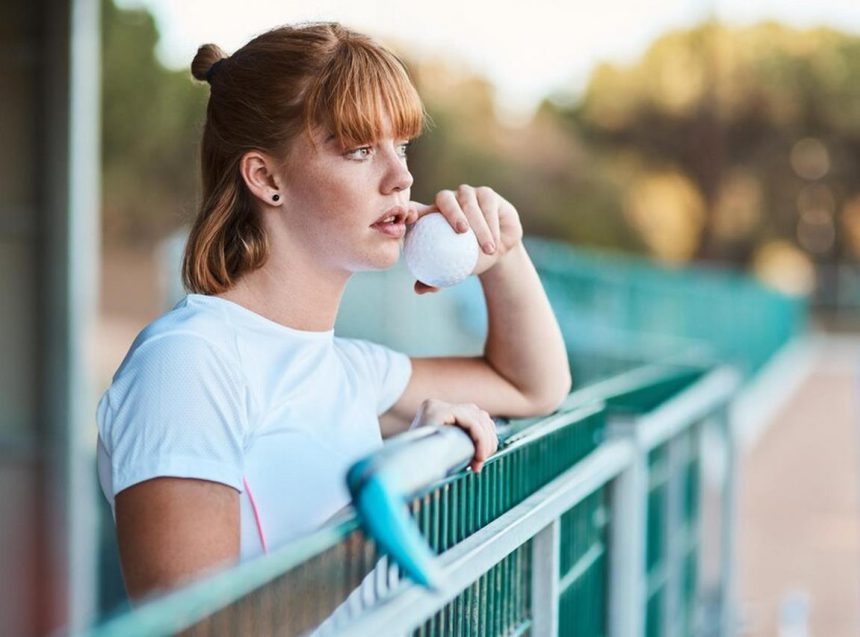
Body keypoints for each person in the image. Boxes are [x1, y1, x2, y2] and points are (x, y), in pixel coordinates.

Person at [96, 22, 571, 602]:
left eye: (401, 147)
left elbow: (532, 385)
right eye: (360, 150)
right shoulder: (188, 365)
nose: (402, 177)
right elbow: (197, 626)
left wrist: (503, 252)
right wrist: (397, 507)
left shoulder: (349, 370)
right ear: (267, 178)